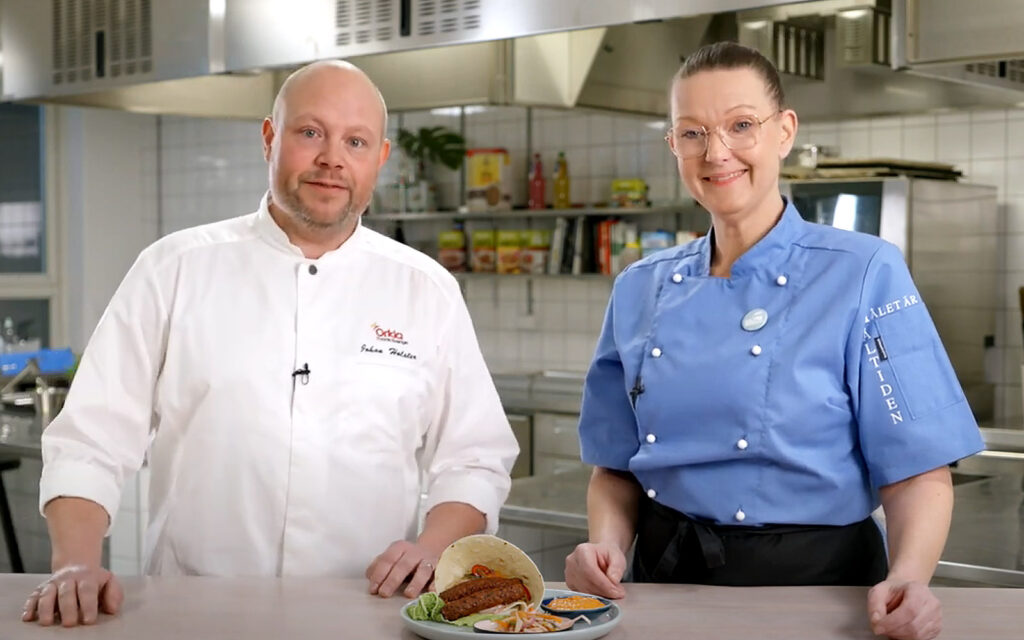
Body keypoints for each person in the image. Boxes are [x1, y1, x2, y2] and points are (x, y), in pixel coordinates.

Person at [22, 60, 518, 627]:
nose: (332, 157)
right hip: (195, 611)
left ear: (379, 159)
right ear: (269, 138)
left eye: (355, 141)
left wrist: (432, 548)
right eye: (311, 132)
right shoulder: (174, 268)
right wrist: (73, 566)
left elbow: (474, 457)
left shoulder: (426, 289)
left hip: (370, 611)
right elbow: (92, 440)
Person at [564, 42, 983, 640]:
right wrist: (605, 545)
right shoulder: (640, 287)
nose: (717, 152)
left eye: (741, 125)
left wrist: (910, 577)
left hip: (821, 591)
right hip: (664, 585)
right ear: (673, 146)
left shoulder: (863, 271)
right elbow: (616, 467)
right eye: (692, 133)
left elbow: (917, 468)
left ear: (784, 131)